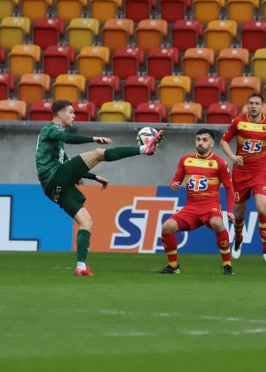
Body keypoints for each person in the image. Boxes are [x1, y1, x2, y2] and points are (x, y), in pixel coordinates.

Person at [36, 99, 163, 276]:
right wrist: (92, 139)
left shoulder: (55, 141)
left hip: (53, 187)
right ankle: (143, 149)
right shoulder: (50, 129)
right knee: (98, 153)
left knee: (86, 222)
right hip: (54, 177)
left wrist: (94, 177)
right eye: (71, 112)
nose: (74, 115)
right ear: (60, 114)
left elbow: (68, 165)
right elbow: (67, 139)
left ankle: (81, 266)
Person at [157, 128, 236, 275]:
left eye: (205, 140)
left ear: (212, 143)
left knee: (218, 224)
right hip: (191, 208)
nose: (201, 143)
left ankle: (227, 265)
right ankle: (173, 266)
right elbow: (175, 181)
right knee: (167, 227)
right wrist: (173, 185)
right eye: (198, 139)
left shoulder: (219, 163)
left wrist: (230, 211)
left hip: (210, 207)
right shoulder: (186, 160)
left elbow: (229, 188)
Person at [220, 93, 266, 264]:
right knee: (239, 213)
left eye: (257, 103)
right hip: (240, 173)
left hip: (259, 172)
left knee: (262, 209)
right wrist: (232, 157)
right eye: (251, 103)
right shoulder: (239, 122)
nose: (254, 106)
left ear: (262, 107)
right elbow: (223, 141)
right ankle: (239, 240)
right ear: (247, 105)